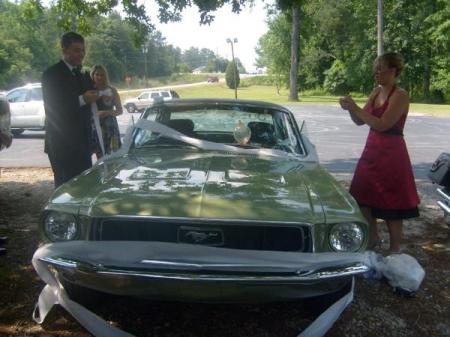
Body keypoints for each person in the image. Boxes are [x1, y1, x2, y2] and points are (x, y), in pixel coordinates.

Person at [339, 52, 420, 254]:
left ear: (392, 71)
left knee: (392, 204)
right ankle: (373, 238)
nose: (376, 72)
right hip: (371, 151)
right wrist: (350, 108)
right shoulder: (376, 92)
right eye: (375, 68)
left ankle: (394, 250)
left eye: (379, 68)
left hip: (392, 153)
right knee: (363, 196)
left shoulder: (400, 95)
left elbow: (383, 124)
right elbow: (360, 121)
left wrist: (356, 107)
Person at [42, 32, 98, 188]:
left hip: (83, 144)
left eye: (82, 50)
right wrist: (82, 99)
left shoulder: (81, 75)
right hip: (62, 145)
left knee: (84, 185)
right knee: (66, 188)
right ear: (64, 50)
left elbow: (91, 99)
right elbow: (55, 107)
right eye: (76, 50)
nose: (81, 54)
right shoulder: (51, 75)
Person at [90, 65, 123, 158]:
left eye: (102, 75)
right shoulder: (89, 91)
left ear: (106, 76)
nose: (100, 77)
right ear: (92, 75)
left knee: (115, 154)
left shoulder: (112, 90)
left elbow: (120, 111)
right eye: (97, 74)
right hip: (96, 128)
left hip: (112, 129)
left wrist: (107, 113)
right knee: (100, 156)